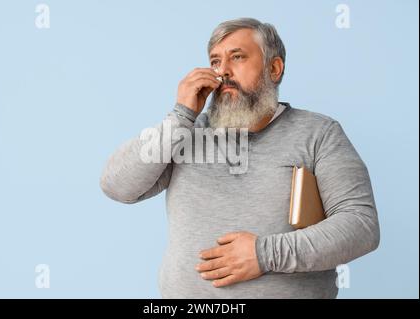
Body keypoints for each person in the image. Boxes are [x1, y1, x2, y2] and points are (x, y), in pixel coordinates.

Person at [100, 18, 380, 298]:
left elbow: (361, 225)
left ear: (274, 68)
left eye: (237, 57)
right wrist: (180, 116)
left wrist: (264, 254)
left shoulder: (319, 133)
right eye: (215, 61)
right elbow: (117, 186)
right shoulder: (185, 133)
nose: (223, 72)